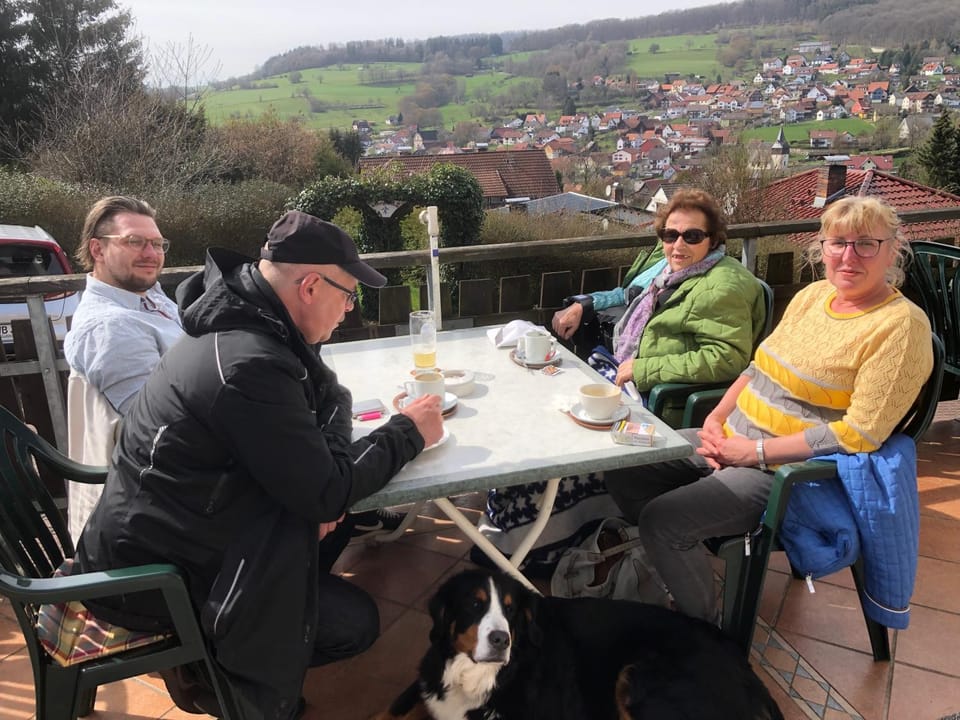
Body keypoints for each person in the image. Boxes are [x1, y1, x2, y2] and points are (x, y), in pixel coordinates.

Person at [75, 210, 445, 719]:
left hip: (181, 523)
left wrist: (322, 486)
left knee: (332, 515)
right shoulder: (249, 362)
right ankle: (211, 668)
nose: (350, 309)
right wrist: (409, 431)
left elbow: (329, 402)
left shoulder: (250, 319)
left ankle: (276, 607)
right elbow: (329, 486)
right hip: (154, 579)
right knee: (353, 622)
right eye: (348, 295)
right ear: (310, 287)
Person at [605, 195, 934, 624]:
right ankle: (673, 561)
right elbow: (757, 367)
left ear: (893, 250)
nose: (848, 256)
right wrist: (716, 420)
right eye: (838, 243)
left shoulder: (900, 327)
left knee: (661, 521)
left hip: (782, 470)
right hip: (730, 440)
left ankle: (702, 634)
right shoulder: (814, 296)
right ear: (822, 248)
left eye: (866, 244)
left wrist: (753, 453)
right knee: (623, 462)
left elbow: (860, 433)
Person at [477, 189, 767, 576]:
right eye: (670, 235)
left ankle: (537, 546)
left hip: (658, 400)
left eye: (692, 236)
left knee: (565, 444)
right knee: (542, 410)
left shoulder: (724, 285)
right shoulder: (672, 272)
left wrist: (644, 368)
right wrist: (585, 305)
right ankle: (519, 524)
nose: (678, 244)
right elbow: (626, 295)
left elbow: (727, 358)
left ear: (713, 239)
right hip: (623, 373)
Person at [63, 196, 183, 542]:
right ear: (97, 249)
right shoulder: (110, 326)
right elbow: (163, 430)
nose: (151, 253)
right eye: (134, 242)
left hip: (173, 486)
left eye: (157, 244)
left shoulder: (150, 299)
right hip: (156, 510)